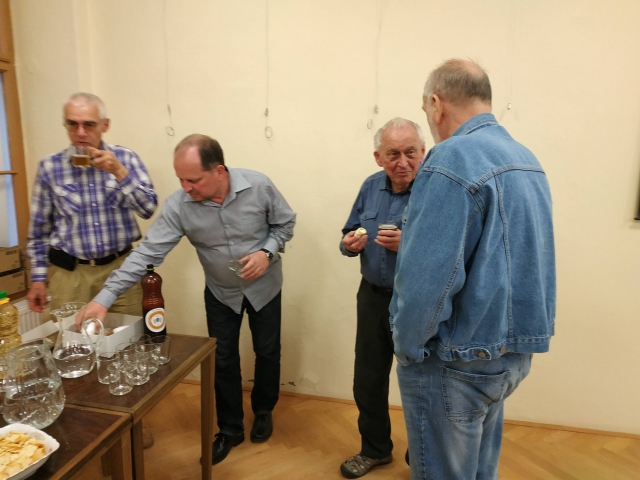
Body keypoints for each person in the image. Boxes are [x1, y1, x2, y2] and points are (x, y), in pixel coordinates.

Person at [79, 133, 296, 465]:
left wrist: (266, 253)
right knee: (222, 359)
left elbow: (284, 224)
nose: (185, 187)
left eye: (193, 180)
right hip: (221, 293)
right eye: (180, 179)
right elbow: (147, 253)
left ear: (219, 171)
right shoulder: (179, 205)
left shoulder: (258, 185)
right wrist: (104, 299)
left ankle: (264, 410)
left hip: (265, 288)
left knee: (267, 352)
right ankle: (230, 428)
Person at [390, 59, 556, 480]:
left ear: (436, 103)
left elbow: (428, 281)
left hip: (455, 362)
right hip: (507, 356)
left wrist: (407, 349)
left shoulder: (452, 158)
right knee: (480, 471)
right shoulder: (526, 158)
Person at [339, 118, 425, 478]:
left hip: (417, 301)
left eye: (410, 152)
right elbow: (353, 227)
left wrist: (409, 245)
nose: (403, 162)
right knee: (368, 379)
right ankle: (375, 449)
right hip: (372, 297)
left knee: (421, 382)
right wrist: (350, 242)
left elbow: (453, 250)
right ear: (379, 157)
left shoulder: (436, 190)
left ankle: (423, 455)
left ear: (423, 152)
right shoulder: (370, 186)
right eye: (393, 154)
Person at [26, 92, 158, 315]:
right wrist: (38, 278)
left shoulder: (125, 158)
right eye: (72, 124)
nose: (80, 132)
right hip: (70, 275)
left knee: (130, 334)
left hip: (121, 269)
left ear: (105, 125)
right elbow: (39, 231)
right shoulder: (50, 167)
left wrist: (119, 171)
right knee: (70, 336)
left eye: (89, 124)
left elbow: (148, 209)